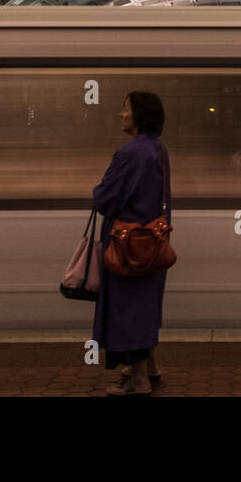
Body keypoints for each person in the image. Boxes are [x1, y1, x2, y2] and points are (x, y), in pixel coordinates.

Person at [92, 91, 170, 397]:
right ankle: (151, 365)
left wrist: (97, 191)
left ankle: (139, 382)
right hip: (153, 242)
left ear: (138, 115)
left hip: (126, 246)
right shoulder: (159, 151)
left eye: (125, 109)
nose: (120, 114)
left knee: (127, 308)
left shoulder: (128, 153)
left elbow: (104, 198)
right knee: (146, 304)